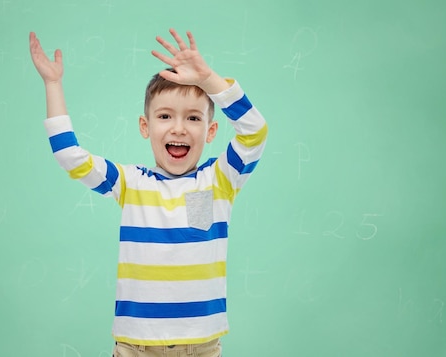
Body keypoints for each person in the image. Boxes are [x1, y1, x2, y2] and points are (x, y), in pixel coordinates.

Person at [29, 28, 268, 357]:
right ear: (146, 127)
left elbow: (254, 131)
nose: (179, 127)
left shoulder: (219, 180)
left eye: (193, 117)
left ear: (211, 130)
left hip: (201, 345)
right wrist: (53, 84)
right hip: (135, 347)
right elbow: (70, 157)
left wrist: (209, 79)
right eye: (165, 116)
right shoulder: (129, 182)